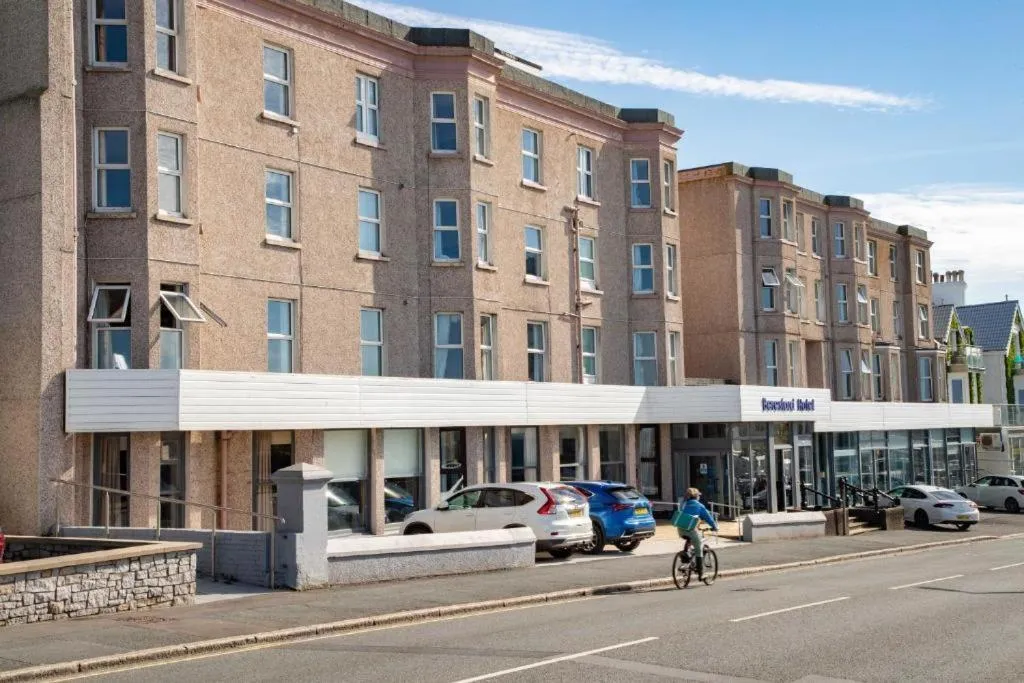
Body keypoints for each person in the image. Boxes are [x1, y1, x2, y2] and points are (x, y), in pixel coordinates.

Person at [677, 488, 718, 579]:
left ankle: (686, 560)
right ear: (696, 496)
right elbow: (708, 517)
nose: (699, 496)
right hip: (691, 530)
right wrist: (714, 527)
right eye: (699, 495)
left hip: (680, 529)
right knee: (699, 548)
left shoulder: (683, 504)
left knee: (690, 540)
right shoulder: (699, 506)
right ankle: (701, 573)